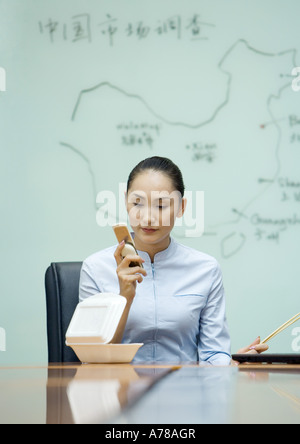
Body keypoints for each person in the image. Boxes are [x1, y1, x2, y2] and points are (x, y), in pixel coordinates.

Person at [79, 156, 268, 364]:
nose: (148, 217)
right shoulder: (96, 268)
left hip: (186, 392)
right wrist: (124, 298)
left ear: (181, 207)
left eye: (161, 206)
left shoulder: (205, 269)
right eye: (137, 203)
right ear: (126, 203)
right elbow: (92, 360)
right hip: (120, 394)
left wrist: (232, 364)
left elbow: (213, 354)